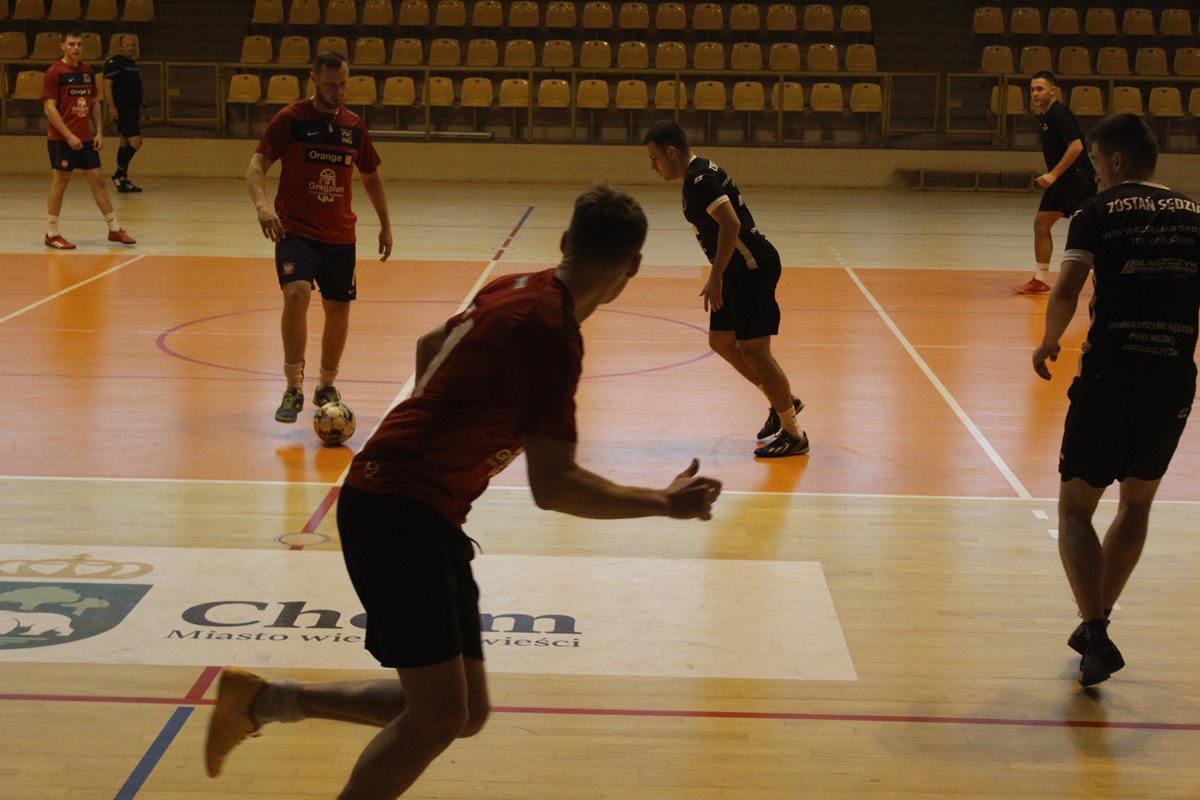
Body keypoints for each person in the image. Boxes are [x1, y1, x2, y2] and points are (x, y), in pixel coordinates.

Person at [204, 185, 723, 798]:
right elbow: (555, 487)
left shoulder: (517, 286)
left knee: (463, 712)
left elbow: (429, 345)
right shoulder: (550, 333)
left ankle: (264, 702)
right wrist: (665, 503)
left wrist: (444, 418)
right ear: (632, 266)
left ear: (565, 242)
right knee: (437, 718)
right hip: (398, 511)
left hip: (421, 510)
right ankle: (268, 705)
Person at [1032, 114, 1200, 687]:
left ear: (1117, 160)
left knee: (1075, 511)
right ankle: (1096, 625)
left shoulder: (1095, 212)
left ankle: (1095, 627)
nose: (1096, 172)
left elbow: (1068, 288)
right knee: (1136, 505)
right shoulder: (1194, 214)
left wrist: (1049, 341)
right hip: (1172, 381)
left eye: (1097, 162)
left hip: (1109, 377)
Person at [643, 120, 807, 458]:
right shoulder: (697, 174)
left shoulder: (700, 181)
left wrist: (715, 274)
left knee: (756, 350)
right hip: (735, 271)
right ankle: (783, 401)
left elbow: (731, 224)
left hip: (751, 269)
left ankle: (794, 434)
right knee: (720, 342)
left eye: (654, 158)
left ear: (671, 151)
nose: (653, 166)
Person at [246, 50, 393, 424]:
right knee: (296, 294)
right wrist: (263, 206)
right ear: (313, 79)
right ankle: (293, 387)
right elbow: (257, 166)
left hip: (340, 235)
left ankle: (326, 385)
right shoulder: (291, 119)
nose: (338, 91)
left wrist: (385, 224)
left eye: (343, 84)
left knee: (338, 308)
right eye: (331, 85)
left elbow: (371, 176)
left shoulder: (354, 126)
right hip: (295, 230)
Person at [41, 28, 135, 250]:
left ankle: (114, 228)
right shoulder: (55, 72)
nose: (76, 48)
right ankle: (51, 233)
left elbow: (93, 103)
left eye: (79, 44)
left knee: (98, 180)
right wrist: (68, 135)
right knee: (60, 182)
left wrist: (98, 132)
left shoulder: (87, 71)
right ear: (63, 46)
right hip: (61, 140)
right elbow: (49, 108)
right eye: (71, 44)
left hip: (85, 139)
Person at [1013, 71, 1097, 295]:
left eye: (1040, 89)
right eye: (1032, 89)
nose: (1035, 94)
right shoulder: (1045, 116)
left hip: (1077, 180)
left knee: (1089, 231)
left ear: (1053, 91)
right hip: (1065, 182)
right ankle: (1040, 280)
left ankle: (1107, 276)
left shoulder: (1059, 114)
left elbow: (1076, 146)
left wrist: (1054, 174)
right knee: (1042, 225)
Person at [102, 33, 145, 193]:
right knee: (136, 141)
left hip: (133, 109)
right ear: (121, 46)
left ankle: (123, 180)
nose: (131, 48)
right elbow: (107, 85)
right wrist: (112, 107)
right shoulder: (115, 63)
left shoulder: (133, 64)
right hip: (123, 109)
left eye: (133, 45)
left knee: (124, 142)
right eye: (127, 45)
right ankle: (119, 174)